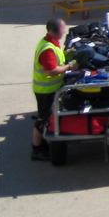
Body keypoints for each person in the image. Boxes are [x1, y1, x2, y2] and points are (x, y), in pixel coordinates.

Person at [32, 18, 76, 161]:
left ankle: (40, 144)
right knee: (43, 119)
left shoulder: (50, 43)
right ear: (54, 31)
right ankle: (37, 149)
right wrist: (70, 66)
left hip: (49, 89)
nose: (64, 31)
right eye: (62, 29)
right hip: (46, 91)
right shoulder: (48, 49)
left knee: (45, 117)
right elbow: (51, 71)